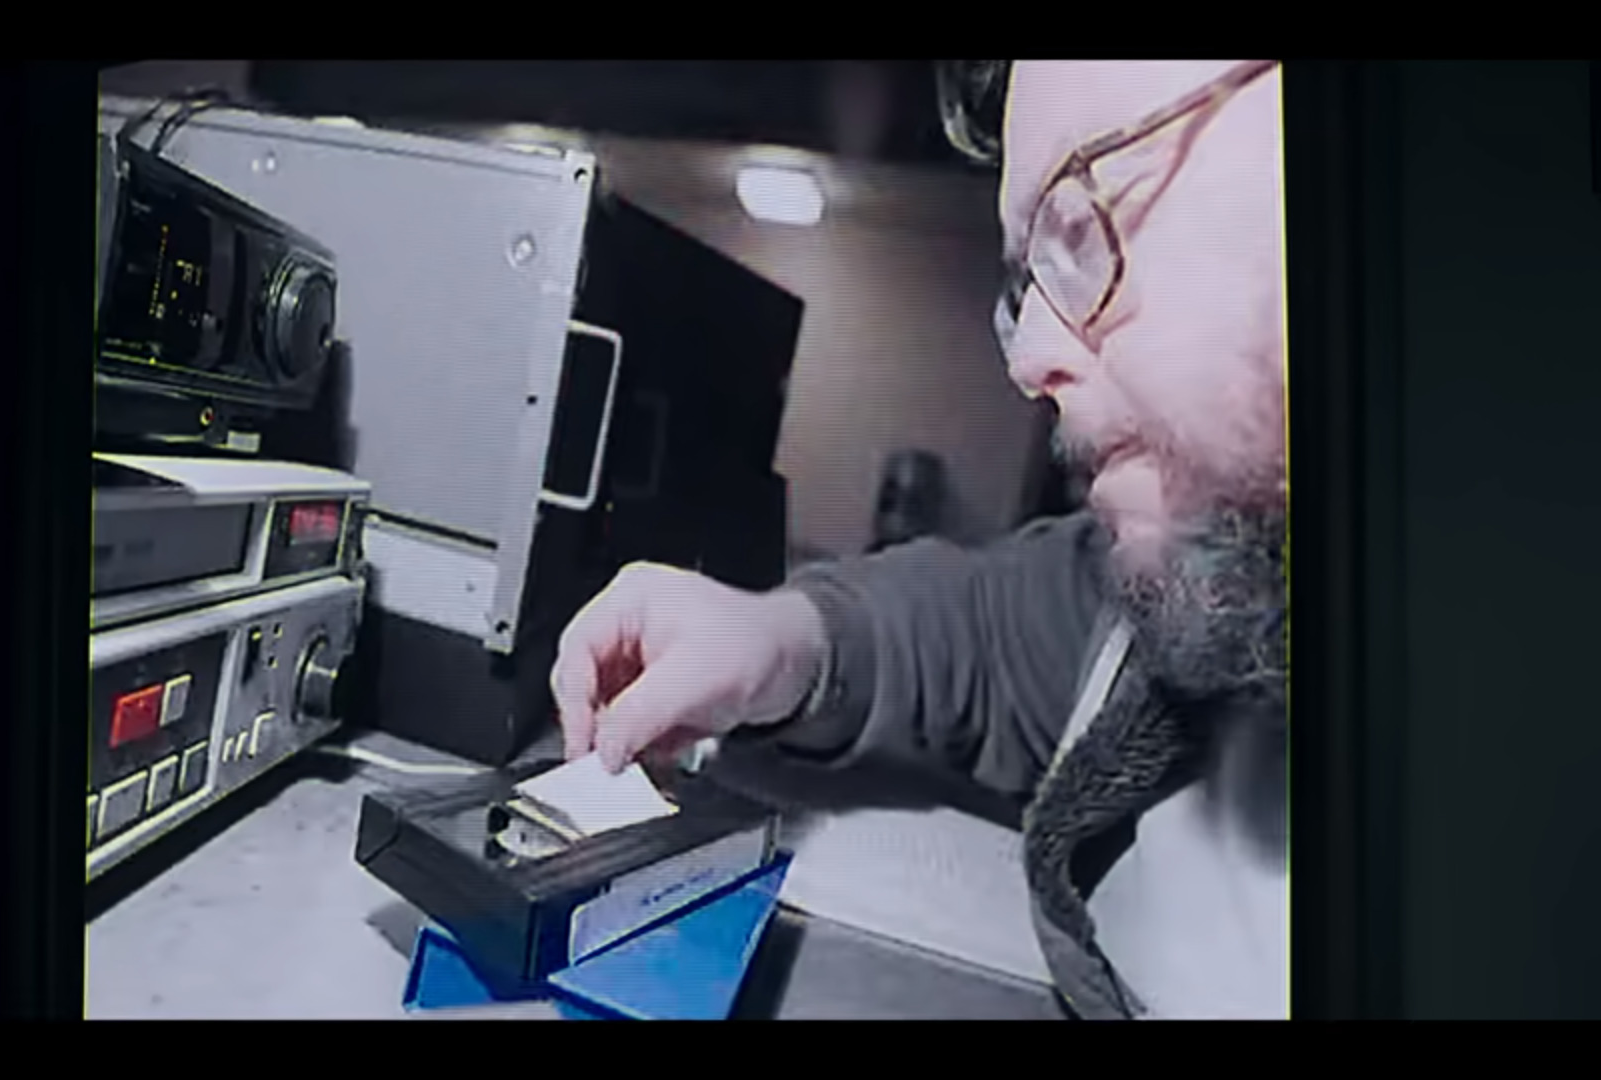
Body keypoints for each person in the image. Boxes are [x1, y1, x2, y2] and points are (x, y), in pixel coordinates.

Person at [549, 60, 1288, 1020]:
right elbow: (993, 621)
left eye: (1080, 221)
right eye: (1029, 280)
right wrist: (789, 641)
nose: (1026, 361)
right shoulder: (1200, 577)